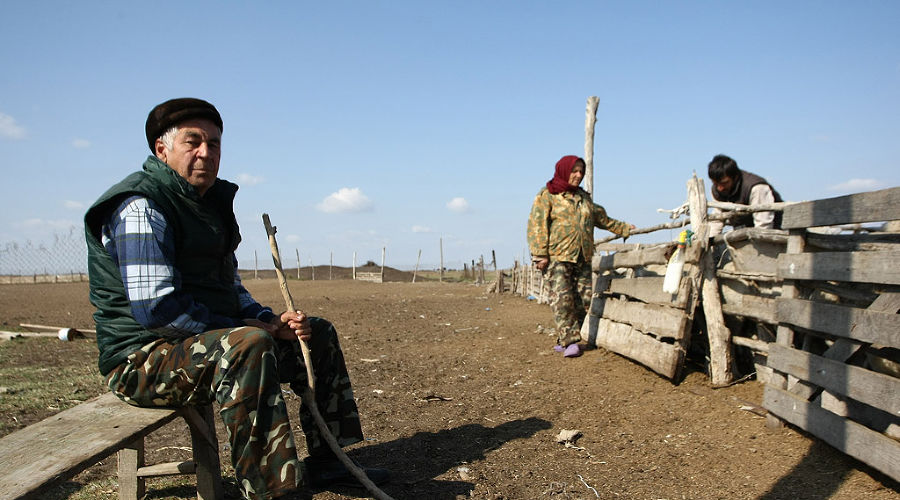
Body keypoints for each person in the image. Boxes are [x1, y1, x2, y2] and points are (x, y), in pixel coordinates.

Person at [84, 98, 389, 500]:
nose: (206, 153)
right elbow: (156, 309)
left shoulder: (208, 208)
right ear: (161, 149)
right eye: (193, 142)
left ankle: (330, 461)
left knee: (314, 333)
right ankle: (271, 489)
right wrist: (247, 329)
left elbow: (231, 291)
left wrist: (272, 320)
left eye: (214, 144)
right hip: (142, 359)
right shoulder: (142, 206)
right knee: (248, 346)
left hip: (201, 347)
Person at [527, 155, 634, 358]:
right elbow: (536, 225)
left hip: (582, 256)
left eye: (581, 172)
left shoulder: (584, 198)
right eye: (574, 171)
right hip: (557, 256)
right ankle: (571, 342)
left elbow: (601, 218)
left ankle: (564, 338)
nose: (578, 175)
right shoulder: (548, 195)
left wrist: (624, 228)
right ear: (564, 170)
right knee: (562, 299)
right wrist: (540, 254)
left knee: (584, 299)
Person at [707, 154, 783, 234]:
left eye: (724, 183)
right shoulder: (717, 191)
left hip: (775, 234)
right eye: (715, 183)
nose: (720, 188)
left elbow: (763, 225)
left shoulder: (756, 188)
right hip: (744, 233)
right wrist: (710, 241)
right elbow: (717, 219)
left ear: (735, 177)